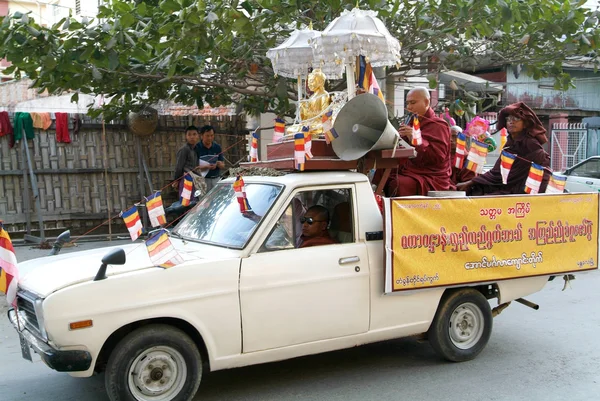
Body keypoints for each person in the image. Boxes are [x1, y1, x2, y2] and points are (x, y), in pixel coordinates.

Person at [457, 102, 550, 195]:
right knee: (476, 189)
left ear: (525, 124)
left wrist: (471, 182)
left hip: (524, 188)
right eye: (508, 119)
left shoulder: (530, 142)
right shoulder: (510, 143)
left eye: (516, 118)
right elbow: (497, 172)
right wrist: (472, 182)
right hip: (509, 184)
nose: (511, 122)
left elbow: (513, 173)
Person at [384, 87, 452, 196]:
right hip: (411, 170)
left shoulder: (438, 125)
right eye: (407, 103)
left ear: (426, 102)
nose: (409, 107)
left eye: (413, 102)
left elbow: (437, 157)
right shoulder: (412, 123)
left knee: (398, 184)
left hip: (430, 176)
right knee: (384, 174)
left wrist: (415, 137)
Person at [172, 125, 200, 195]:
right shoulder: (184, 149)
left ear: (198, 136)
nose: (192, 137)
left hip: (195, 180)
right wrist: (176, 180)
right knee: (186, 202)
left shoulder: (196, 149)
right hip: (186, 180)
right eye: (189, 135)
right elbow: (179, 167)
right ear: (186, 137)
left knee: (195, 202)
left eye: (194, 134)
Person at [196, 125, 225, 192]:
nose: (210, 138)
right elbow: (193, 168)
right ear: (202, 136)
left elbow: (223, 165)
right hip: (202, 180)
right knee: (203, 201)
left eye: (212, 135)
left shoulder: (217, 147)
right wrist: (206, 167)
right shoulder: (196, 148)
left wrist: (218, 164)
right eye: (207, 136)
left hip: (216, 179)